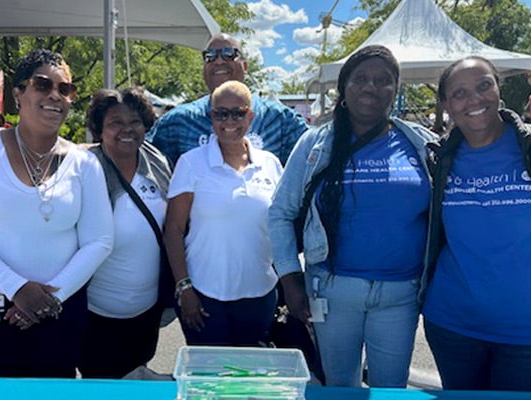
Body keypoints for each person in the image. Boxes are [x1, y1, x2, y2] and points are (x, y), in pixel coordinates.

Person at [0, 49, 114, 378]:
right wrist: (17, 288)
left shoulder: (85, 163)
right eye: (42, 84)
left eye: (65, 89)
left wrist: (49, 297)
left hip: (59, 309)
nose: (54, 96)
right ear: (18, 93)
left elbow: (100, 240)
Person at [268, 45, 437, 387]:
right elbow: (280, 213)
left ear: (396, 90)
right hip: (331, 290)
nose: (371, 87)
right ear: (343, 89)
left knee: (390, 388)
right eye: (360, 79)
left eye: (383, 80)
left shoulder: (422, 145)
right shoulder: (314, 144)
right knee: (340, 387)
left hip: (400, 294)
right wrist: (289, 278)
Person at [421, 56, 531, 391]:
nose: (474, 99)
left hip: (524, 333)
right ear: (446, 106)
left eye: (484, 85)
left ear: (499, 89)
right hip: (453, 326)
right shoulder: (438, 158)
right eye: (459, 93)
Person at [164, 80, 281, 346]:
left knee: (249, 382)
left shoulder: (271, 164)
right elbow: (173, 230)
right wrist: (184, 288)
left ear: (250, 116)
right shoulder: (191, 163)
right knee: (209, 382)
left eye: (238, 113)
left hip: (259, 296)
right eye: (221, 113)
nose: (230, 120)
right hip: (204, 297)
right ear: (211, 117)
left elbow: (282, 226)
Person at [79, 87, 172, 379]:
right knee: (103, 382)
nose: (127, 130)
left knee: (138, 373)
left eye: (135, 122)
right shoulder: (83, 168)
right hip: (95, 313)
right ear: (99, 128)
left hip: (147, 311)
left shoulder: (156, 161)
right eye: (115, 122)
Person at [148, 33, 308, 166]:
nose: (219, 61)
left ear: (245, 66)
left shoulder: (279, 119)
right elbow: (143, 160)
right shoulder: (178, 121)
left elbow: (320, 151)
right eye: (210, 56)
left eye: (228, 54)